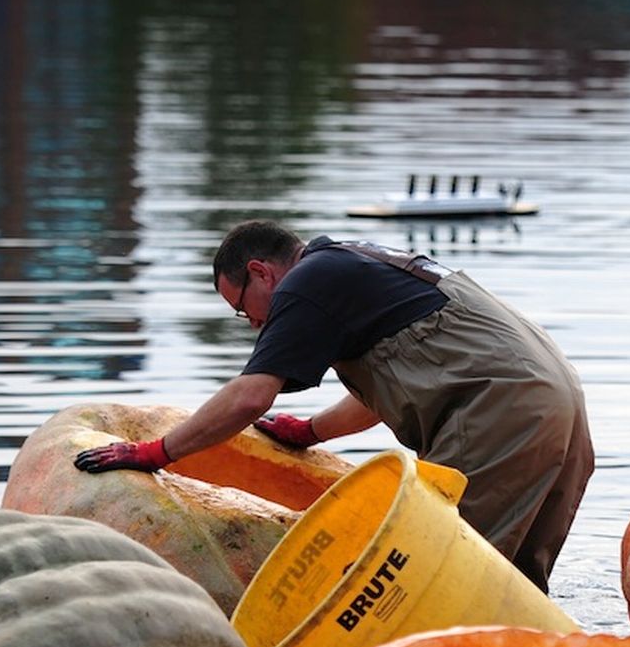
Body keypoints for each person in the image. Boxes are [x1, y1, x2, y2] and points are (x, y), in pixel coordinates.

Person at [74, 220, 593, 591]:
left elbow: (251, 395)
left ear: (262, 272)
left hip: (501, 410)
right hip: (553, 398)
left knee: (432, 579)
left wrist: (156, 453)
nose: (252, 323)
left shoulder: (307, 284)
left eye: (241, 309)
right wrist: (312, 432)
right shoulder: (358, 264)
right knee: (517, 589)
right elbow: (399, 379)